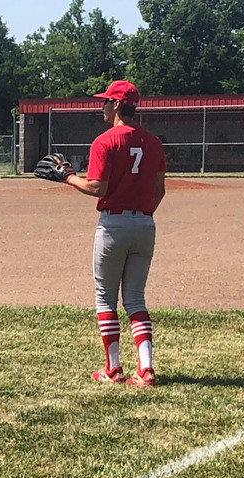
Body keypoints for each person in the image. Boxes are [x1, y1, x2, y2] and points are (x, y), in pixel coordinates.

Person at [43, 80, 166, 387]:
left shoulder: (105, 141)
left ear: (117, 105)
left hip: (113, 225)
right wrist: (143, 213)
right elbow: (160, 191)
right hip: (145, 225)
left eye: (106, 102)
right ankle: (146, 370)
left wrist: (68, 177)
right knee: (135, 299)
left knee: (105, 298)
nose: (102, 107)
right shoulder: (153, 142)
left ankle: (113, 369)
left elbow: (98, 187)